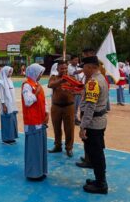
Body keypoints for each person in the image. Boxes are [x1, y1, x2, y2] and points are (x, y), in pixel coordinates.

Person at [78, 56, 109, 194]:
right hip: (99, 121)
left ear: (90, 67)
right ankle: (99, 180)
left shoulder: (93, 82)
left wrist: (83, 126)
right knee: (97, 152)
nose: (82, 70)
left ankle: (101, 184)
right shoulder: (101, 78)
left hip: (93, 124)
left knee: (96, 154)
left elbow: (90, 107)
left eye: (83, 67)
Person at [21, 63, 49, 181]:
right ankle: (33, 173)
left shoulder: (37, 85)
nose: (40, 76)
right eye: (39, 73)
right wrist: (36, 93)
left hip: (40, 120)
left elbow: (44, 100)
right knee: (34, 148)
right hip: (32, 121)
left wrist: (46, 112)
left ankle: (40, 170)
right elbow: (27, 101)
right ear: (34, 73)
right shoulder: (27, 85)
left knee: (40, 147)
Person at [48, 61, 76, 157]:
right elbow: (50, 85)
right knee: (56, 128)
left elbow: (78, 89)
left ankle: (69, 148)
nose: (64, 70)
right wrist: (62, 80)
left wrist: (74, 90)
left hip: (69, 106)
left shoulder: (72, 78)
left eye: (65, 68)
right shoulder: (54, 78)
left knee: (69, 128)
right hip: (56, 106)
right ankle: (57, 146)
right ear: (57, 69)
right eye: (62, 68)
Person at [0, 66, 18, 145]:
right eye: (9, 72)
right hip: (6, 105)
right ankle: (6, 139)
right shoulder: (1, 82)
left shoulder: (10, 81)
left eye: (11, 72)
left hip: (12, 104)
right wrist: (4, 105)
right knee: (6, 121)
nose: (10, 73)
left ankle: (11, 137)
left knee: (12, 121)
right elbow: (1, 95)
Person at [68, 55, 84, 125]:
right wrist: (83, 69)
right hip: (73, 89)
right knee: (74, 105)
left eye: (77, 60)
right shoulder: (69, 67)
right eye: (75, 60)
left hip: (78, 89)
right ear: (71, 60)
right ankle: (73, 119)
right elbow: (74, 73)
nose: (76, 61)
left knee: (77, 105)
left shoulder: (77, 67)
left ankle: (75, 118)